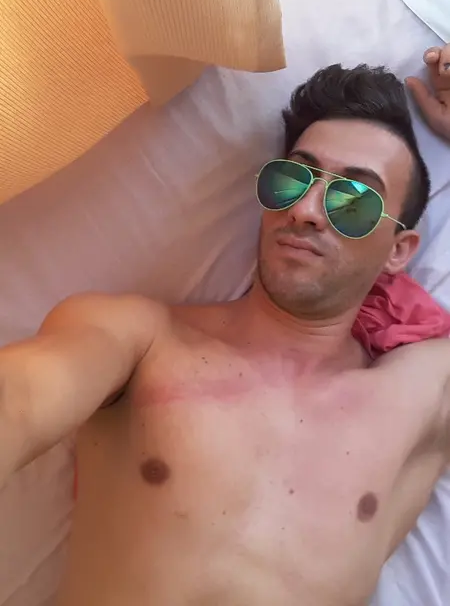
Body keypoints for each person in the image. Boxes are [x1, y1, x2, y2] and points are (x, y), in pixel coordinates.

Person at [1, 43, 450, 606]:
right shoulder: (141, 339)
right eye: (291, 180)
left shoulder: (419, 394)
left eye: (354, 200)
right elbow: (20, 398)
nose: (306, 210)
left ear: (400, 251)